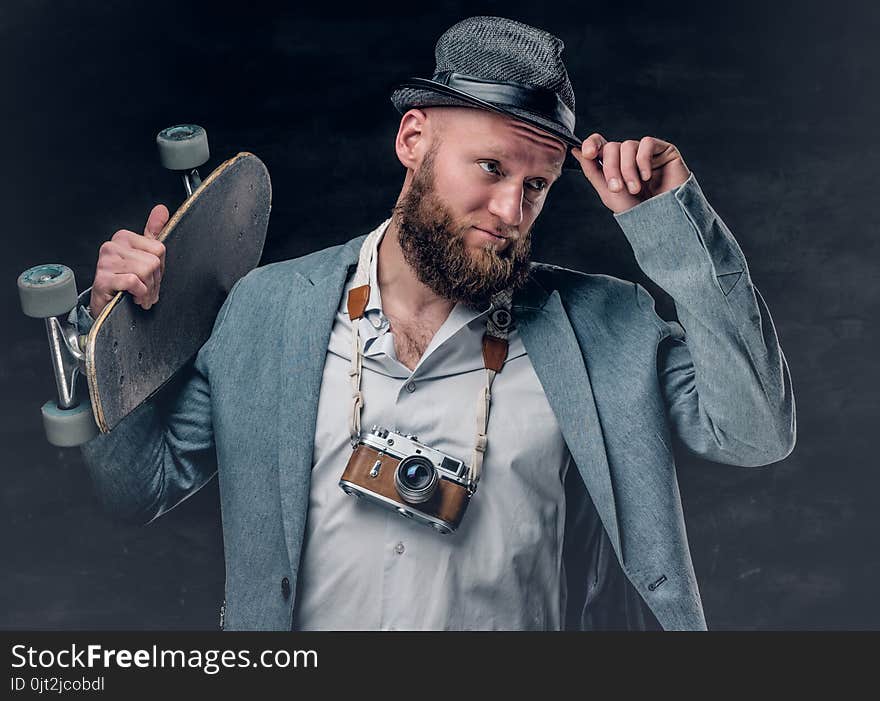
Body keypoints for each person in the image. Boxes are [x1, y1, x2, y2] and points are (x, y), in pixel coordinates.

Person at [78, 16, 796, 631]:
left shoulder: (609, 326)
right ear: (413, 141)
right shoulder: (268, 309)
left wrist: (674, 223)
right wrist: (117, 332)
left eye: (537, 185)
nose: (512, 211)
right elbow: (138, 486)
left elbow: (756, 430)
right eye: (490, 166)